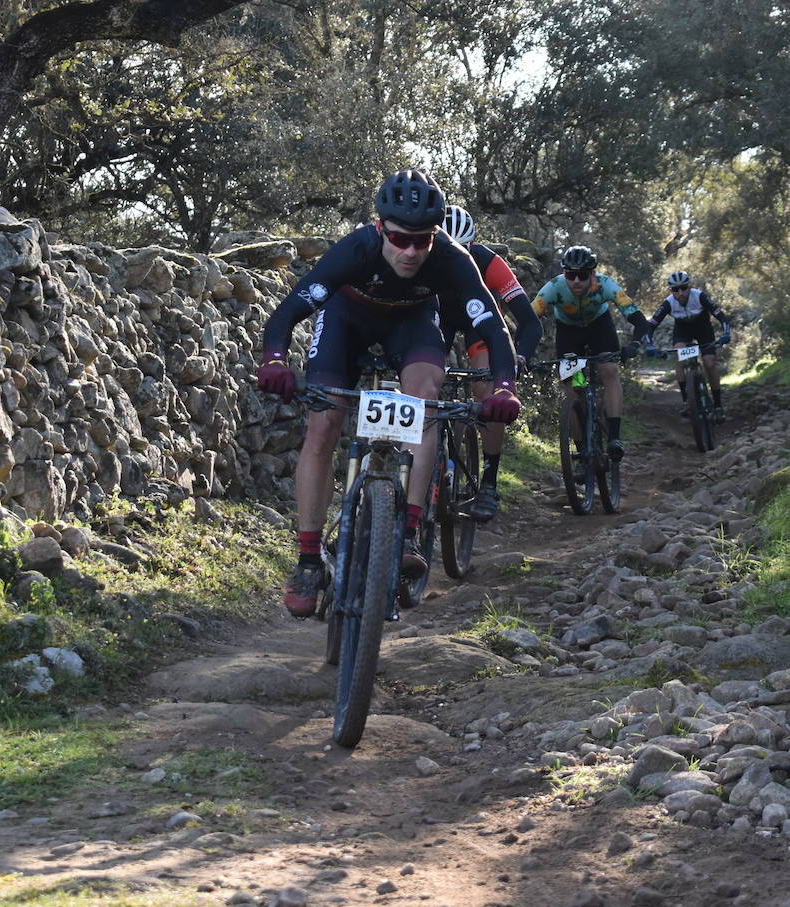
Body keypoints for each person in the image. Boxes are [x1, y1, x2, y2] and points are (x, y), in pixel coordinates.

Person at [256, 169, 522, 618]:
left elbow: (493, 326)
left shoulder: (453, 259)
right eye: (400, 239)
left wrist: (504, 387)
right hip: (346, 321)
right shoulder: (354, 249)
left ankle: (409, 532)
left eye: (423, 241)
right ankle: (306, 561)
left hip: (412, 324)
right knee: (323, 425)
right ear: (380, 228)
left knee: (424, 402)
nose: (411, 251)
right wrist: (276, 360)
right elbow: (288, 313)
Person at [438, 204, 541, 522]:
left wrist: (518, 356)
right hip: (438, 320)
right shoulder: (420, 258)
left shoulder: (490, 262)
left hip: (478, 322)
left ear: (472, 246)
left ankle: (489, 482)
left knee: (487, 389)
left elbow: (529, 322)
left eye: (462, 249)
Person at [530, 245, 653, 460]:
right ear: (563, 273)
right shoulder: (554, 287)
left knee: (609, 370)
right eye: (570, 274)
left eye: (583, 275)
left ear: (592, 274)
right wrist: (523, 353)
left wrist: (634, 343)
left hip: (599, 329)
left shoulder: (605, 285)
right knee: (573, 386)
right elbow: (529, 321)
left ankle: (614, 436)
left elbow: (637, 318)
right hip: (569, 335)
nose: (576, 280)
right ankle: (581, 450)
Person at [646, 270, 733, 419]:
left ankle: (718, 405)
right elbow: (651, 326)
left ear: (689, 287)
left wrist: (726, 334)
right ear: (671, 291)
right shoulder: (668, 303)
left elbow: (722, 317)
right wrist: (649, 344)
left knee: (709, 363)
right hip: (683, 331)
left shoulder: (699, 296)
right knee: (681, 359)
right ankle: (687, 401)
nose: (680, 292)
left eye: (684, 288)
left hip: (703, 330)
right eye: (675, 289)